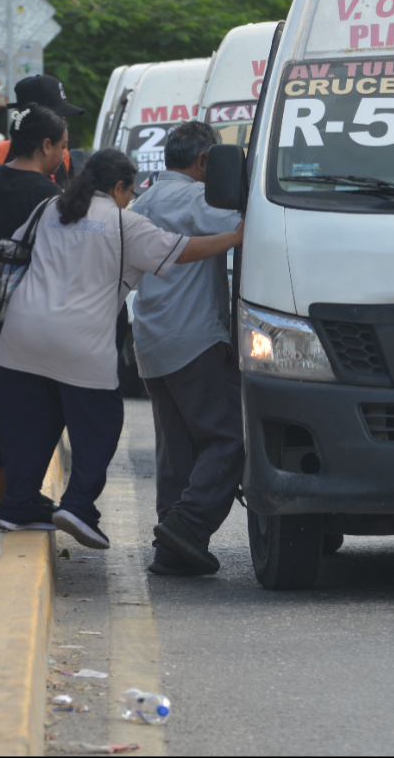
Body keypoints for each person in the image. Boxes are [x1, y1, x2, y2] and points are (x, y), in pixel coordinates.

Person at [0, 149, 243, 539]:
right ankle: (78, 508)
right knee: (102, 425)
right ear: (120, 187)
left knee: (32, 424)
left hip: (20, 336)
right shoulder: (124, 223)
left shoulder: (49, 208)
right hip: (79, 341)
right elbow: (181, 251)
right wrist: (233, 237)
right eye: (128, 191)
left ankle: (18, 505)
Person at [129, 121, 244, 576]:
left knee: (176, 450)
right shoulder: (197, 198)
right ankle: (189, 523)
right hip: (194, 337)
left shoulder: (147, 198)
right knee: (229, 439)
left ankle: (172, 550)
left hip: (152, 340)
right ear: (204, 163)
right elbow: (248, 226)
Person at [0, 105, 69, 517]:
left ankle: (3, 492)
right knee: (30, 406)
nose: (63, 155)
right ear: (45, 145)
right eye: (62, 146)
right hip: (29, 312)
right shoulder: (49, 195)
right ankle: (11, 495)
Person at [0, 74, 84, 175]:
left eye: (63, 119)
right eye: (58, 118)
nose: (62, 125)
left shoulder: (63, 158)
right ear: (34, 118)